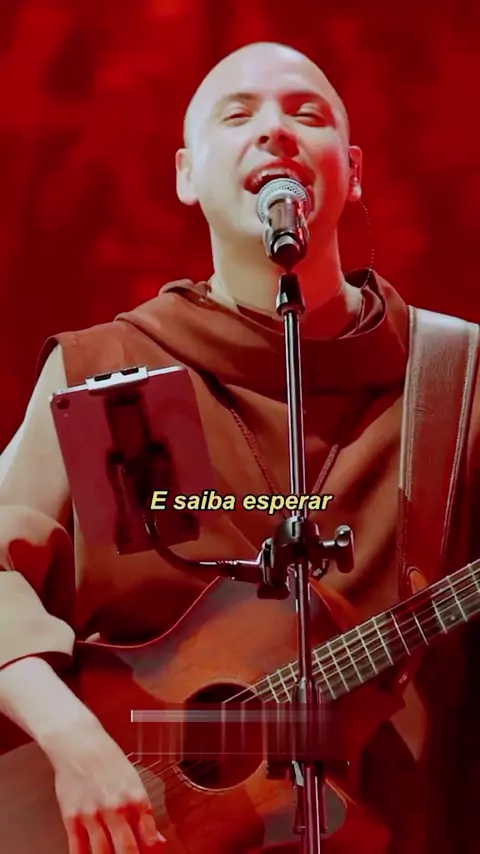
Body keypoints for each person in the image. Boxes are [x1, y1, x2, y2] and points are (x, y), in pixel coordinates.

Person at [0, 40, 478, 854]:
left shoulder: (456, 381)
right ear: (186, 175)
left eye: (306, 113)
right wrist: (74, 740)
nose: (275, 129)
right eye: (238, 114)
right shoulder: (104, 371)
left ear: (353, 171)